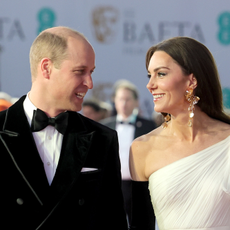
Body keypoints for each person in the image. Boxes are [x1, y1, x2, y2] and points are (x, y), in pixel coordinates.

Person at [1, 26, 128, 230]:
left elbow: (112, 221)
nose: (90, 83)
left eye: (91, 72)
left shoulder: (102, 138)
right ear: (46, 68)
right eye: (80, 71)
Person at [129, 36, 230, 230]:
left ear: (191, 80)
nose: (150, 85)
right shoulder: (142, 148)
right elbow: (141, 225)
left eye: (161, 74)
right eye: (149, 75)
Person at [101, 79, 156, 225]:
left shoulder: (149, 126)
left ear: (136, 102)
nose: (124, 104)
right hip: (112, 186)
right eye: (120, 99)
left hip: (139, 186)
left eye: (128, 99)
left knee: (141, 223)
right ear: (114, 101)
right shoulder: (105, 127)